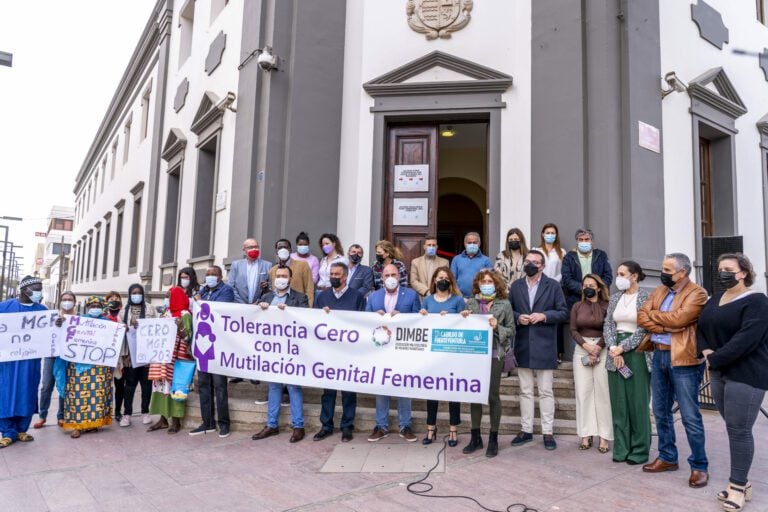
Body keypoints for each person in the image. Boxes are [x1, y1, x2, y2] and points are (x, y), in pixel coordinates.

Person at [697, 253, 768, 509]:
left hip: (747, 373)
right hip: (718, 372)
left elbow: (747, 339)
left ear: (744, 273)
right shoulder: (715, 299)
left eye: (728, 269)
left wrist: (715, 358)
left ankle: (737, 487)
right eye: (719, 268)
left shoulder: (757, 301)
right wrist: (705, 351)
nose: (722, 273)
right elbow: (701, 328)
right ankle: (744, 482)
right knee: (733, 428)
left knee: (739, 431)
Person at [638, 253, 709, 488]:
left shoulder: (697, 293)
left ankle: (699, 466)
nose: (663, 274)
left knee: (690, 415)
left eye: (668, 270)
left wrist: (660, 319)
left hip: (684, 360)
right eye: (663, 268)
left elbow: (680, 319)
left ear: (683, 273)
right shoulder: (659, 291)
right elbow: (641, 316)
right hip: (659, 354)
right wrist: (665, 323)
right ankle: (667, 457)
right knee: (660, 411)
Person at [508, 249, 569, 450]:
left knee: (545, 391)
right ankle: (526, 430)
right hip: (523, 344)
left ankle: (547, 432)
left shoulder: (553, 286)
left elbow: (563, 312)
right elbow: (509, 311)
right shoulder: (516, 286)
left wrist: (544, 316)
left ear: (542, 266)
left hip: (545, 345)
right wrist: (518, 317)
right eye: (527, 261)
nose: (530, 264)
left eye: (534, 262)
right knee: (525, 390)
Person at [460, 269, 515, 458]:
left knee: (492, 395)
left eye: (489, 281)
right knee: (475, 395)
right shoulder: (472, 303)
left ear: (496, 283)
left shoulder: (504, 304)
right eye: (483, 281)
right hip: (475, 355)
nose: (486, 283)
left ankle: (493, 437)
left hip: (494, 354)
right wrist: (464, 318)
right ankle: (475, 437)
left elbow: (512, 330)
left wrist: (496, 326)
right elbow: (464, 328)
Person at [252, 266, 310, 443]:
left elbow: (306, 319)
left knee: (293, 387)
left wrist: (290, 313)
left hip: (292, 350)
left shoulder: (300, 298)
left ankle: (298, 426)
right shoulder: (266, 297)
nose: (281, 278)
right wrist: (259, 308)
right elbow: (253, 319)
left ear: (290, 279)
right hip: (272, 350)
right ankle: (271, 425)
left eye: (284, 276)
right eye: (278, 276)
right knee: (274, 386)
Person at [366, 264, 421, 443]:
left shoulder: (411, 295)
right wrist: (375, 316)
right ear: (382, 278)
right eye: (387, 274)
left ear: (400, 277)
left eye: (393, 274)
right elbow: (364, 321)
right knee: (382, 386)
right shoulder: (373, 297)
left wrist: (403, 317)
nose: (390, 277)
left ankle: (405, 425)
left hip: (403, 350)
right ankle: (381, 426)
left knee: (403, 386)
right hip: (380, 350)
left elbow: (418, 321)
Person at [603, 261, 651, 466]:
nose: (618, 277)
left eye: (622, 274)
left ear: (634, 276)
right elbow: (608, 324)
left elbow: (644, 328)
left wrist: (623, 347)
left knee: (637, 402)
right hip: (614, 354)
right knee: (619, 403)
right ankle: (622, 447)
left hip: (637, 353)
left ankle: (639, 449)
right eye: (617, 273)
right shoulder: (615, 298)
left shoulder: (646, 297)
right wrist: (613, 348)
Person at [313, 262, 366, 442]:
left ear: (345, 277)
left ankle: (346, 427)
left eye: (337, 274)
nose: (333, 277)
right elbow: (313, 322)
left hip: (348, 353)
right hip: (328, 352)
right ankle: (326, 426)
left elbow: (361, 324)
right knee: (328, 392)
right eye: (331, 274)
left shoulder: (357, 297)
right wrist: (322, 315)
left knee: (348, 392)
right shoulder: (322, 297)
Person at [55, 296, 115, 439]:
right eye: (92, 305)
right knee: (76, 395)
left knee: (97, 396)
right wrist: (61, 324)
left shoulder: (108, 323)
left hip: (99, 366)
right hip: (78, 366)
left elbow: (114, 340)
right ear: (87, 307)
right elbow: (64, 334)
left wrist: (122, 329)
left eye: (97, 305)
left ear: (102, 307)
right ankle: (77, 426)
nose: (94, 308)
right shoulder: (78, 320)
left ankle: (93, 424)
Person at [419, 267, 465, 446]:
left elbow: (464, 322)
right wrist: (422, 315)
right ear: (434, 280)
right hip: (432, 353)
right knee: (432, 391)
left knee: (453, 391)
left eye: (446, 278)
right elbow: (420, 324)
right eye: (440, 277)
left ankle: (454, 429)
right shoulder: (427, 300)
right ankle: (431, 428)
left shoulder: (458, 300)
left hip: (452, 353)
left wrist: (454, 317)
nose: (443, 280)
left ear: (450, 281)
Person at [0, 276, 47, 449]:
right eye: (36, 288)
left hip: (30, 362)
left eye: (40, 288)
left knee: (26, 392)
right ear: (24, 290)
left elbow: (49, 335)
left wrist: (57, 324)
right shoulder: (4, 308)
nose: (39, 292)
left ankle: (21, 429)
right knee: (5, 393)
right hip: (7, 363)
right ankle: (7, 432)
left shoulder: (42, 311)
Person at [190, 265, 235, 438]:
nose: (209, 277)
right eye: (207, 274)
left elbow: (219, 310)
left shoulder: (226, 291)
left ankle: (224, 423)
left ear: (220, 276)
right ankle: (207, 422)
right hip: (202, 345)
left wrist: (200, 301)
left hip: (218, 345)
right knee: (203, 384)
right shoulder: (202, 291)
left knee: (220, 386)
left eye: (213, 274)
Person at [570, 274, 612, 453]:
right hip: (582, 349)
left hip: (602, 349)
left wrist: (598, 347)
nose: (588, 287)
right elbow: (573, 329)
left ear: (598, 288)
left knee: (603, 394)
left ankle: (604, 437)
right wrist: (586, 346)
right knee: (583, 393)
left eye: (591, 285)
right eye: (585, 285)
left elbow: (610, 328)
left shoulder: (607, 306)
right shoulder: (577, 306)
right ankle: (585, 434)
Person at [147, 286, 194, 434]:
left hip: (176, 359)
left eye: (169, 296)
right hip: (162, 357)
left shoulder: (185, 315)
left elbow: (188, 338)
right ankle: (163, 419)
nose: (167, 299)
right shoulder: (165, 313)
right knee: (161, 386)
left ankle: (176, 420)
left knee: (175, 388)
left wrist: (181, 328)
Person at [117, 284, 156, 427]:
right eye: (134, 292)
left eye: (139, 292)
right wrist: (125, 328)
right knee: (130, 385)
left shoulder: (150, 308)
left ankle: (145, 412)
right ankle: (127, 414)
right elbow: (118, 331)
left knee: (146, 385)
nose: (136, 295)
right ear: (129, 294)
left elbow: (156, 328)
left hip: (146, 354)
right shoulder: (123, 312)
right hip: (129, 354)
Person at [34, 290, 72, 429]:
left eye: (70, 299)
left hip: (67, 357)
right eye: (65, 299)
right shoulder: (51, 316)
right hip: (51, 355)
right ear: (60, 301)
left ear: (74, 302)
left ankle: (61, 416)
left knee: (64, 387)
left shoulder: (78, 318)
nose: (67, 301)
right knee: (46, 386)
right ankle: (42, 416)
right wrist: (54, 324)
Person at [562, 228, 613, 309]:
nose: (584, 242)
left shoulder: (601, 255)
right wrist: (585, 290)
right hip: (576, 299)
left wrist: (596, 288)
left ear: (592, 241)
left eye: (587, 239)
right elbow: (567, 279)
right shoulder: (569, 257)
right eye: (581, 240)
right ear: (577, 241)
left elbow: (608, 276)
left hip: (599, 299)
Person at [268, 238, 314, 305]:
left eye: (285, 247)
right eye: (280, 248)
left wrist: (307, 309)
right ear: (276, 251)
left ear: (290, 250)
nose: (283, 250)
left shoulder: (303, 265)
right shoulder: (272, 270)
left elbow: (309, 289)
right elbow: (273, 292)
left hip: (297, 308)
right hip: (277, 310)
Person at [227, 238, 272, 304]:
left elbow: (270, 287)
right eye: (250, 247)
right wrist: (242, 304)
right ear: (244, 249)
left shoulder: (267, 265)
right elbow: (231, 286)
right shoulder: (236, 265)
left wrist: (259, 302)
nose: (254, 249)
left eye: (256, 247)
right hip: (239, 306)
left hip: (259, 307)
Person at [450, 231, 492, 298]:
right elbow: (452, 279)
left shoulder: (486, 260)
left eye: (474, 242)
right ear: (465, 244)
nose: (472, 244)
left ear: (479, 244)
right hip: (459, 297)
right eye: (469, 243)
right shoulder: (456, 259)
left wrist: (479, 296)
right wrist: (459, 296)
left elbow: (489, 281)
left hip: (479, 298)